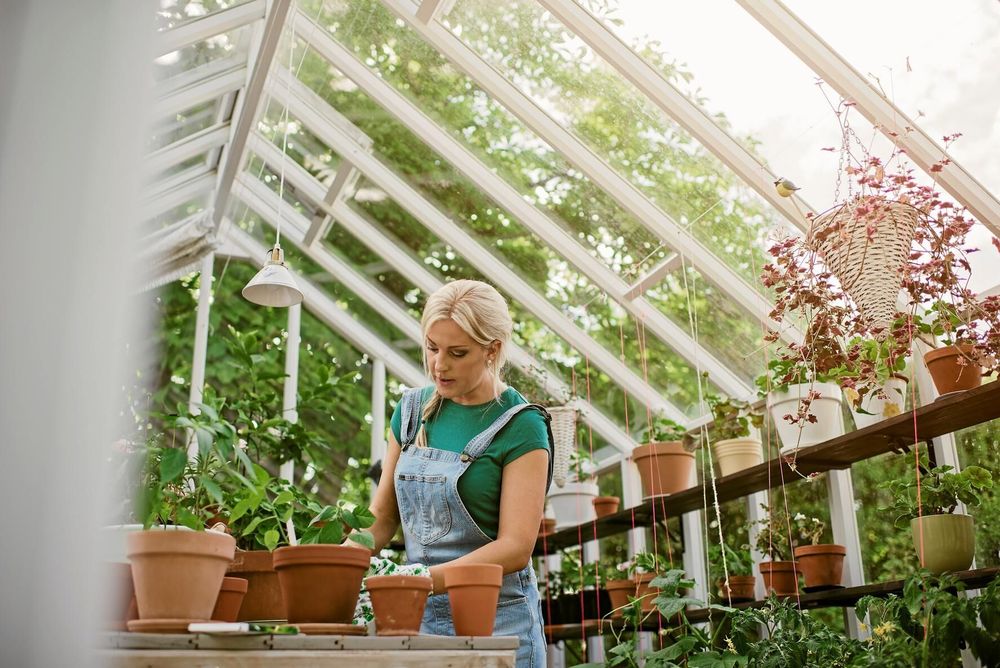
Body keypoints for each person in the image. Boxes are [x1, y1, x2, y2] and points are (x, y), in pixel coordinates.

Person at [361, 279, 552, 668]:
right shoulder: (412, 412)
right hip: (417, 620)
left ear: (492, 350)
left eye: (457, 352)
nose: (438, 365)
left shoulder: (521, 425)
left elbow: (515, 546)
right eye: (432, 348)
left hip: (498, 625)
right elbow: (382, 518)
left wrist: (418, 583)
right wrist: (340, 561)